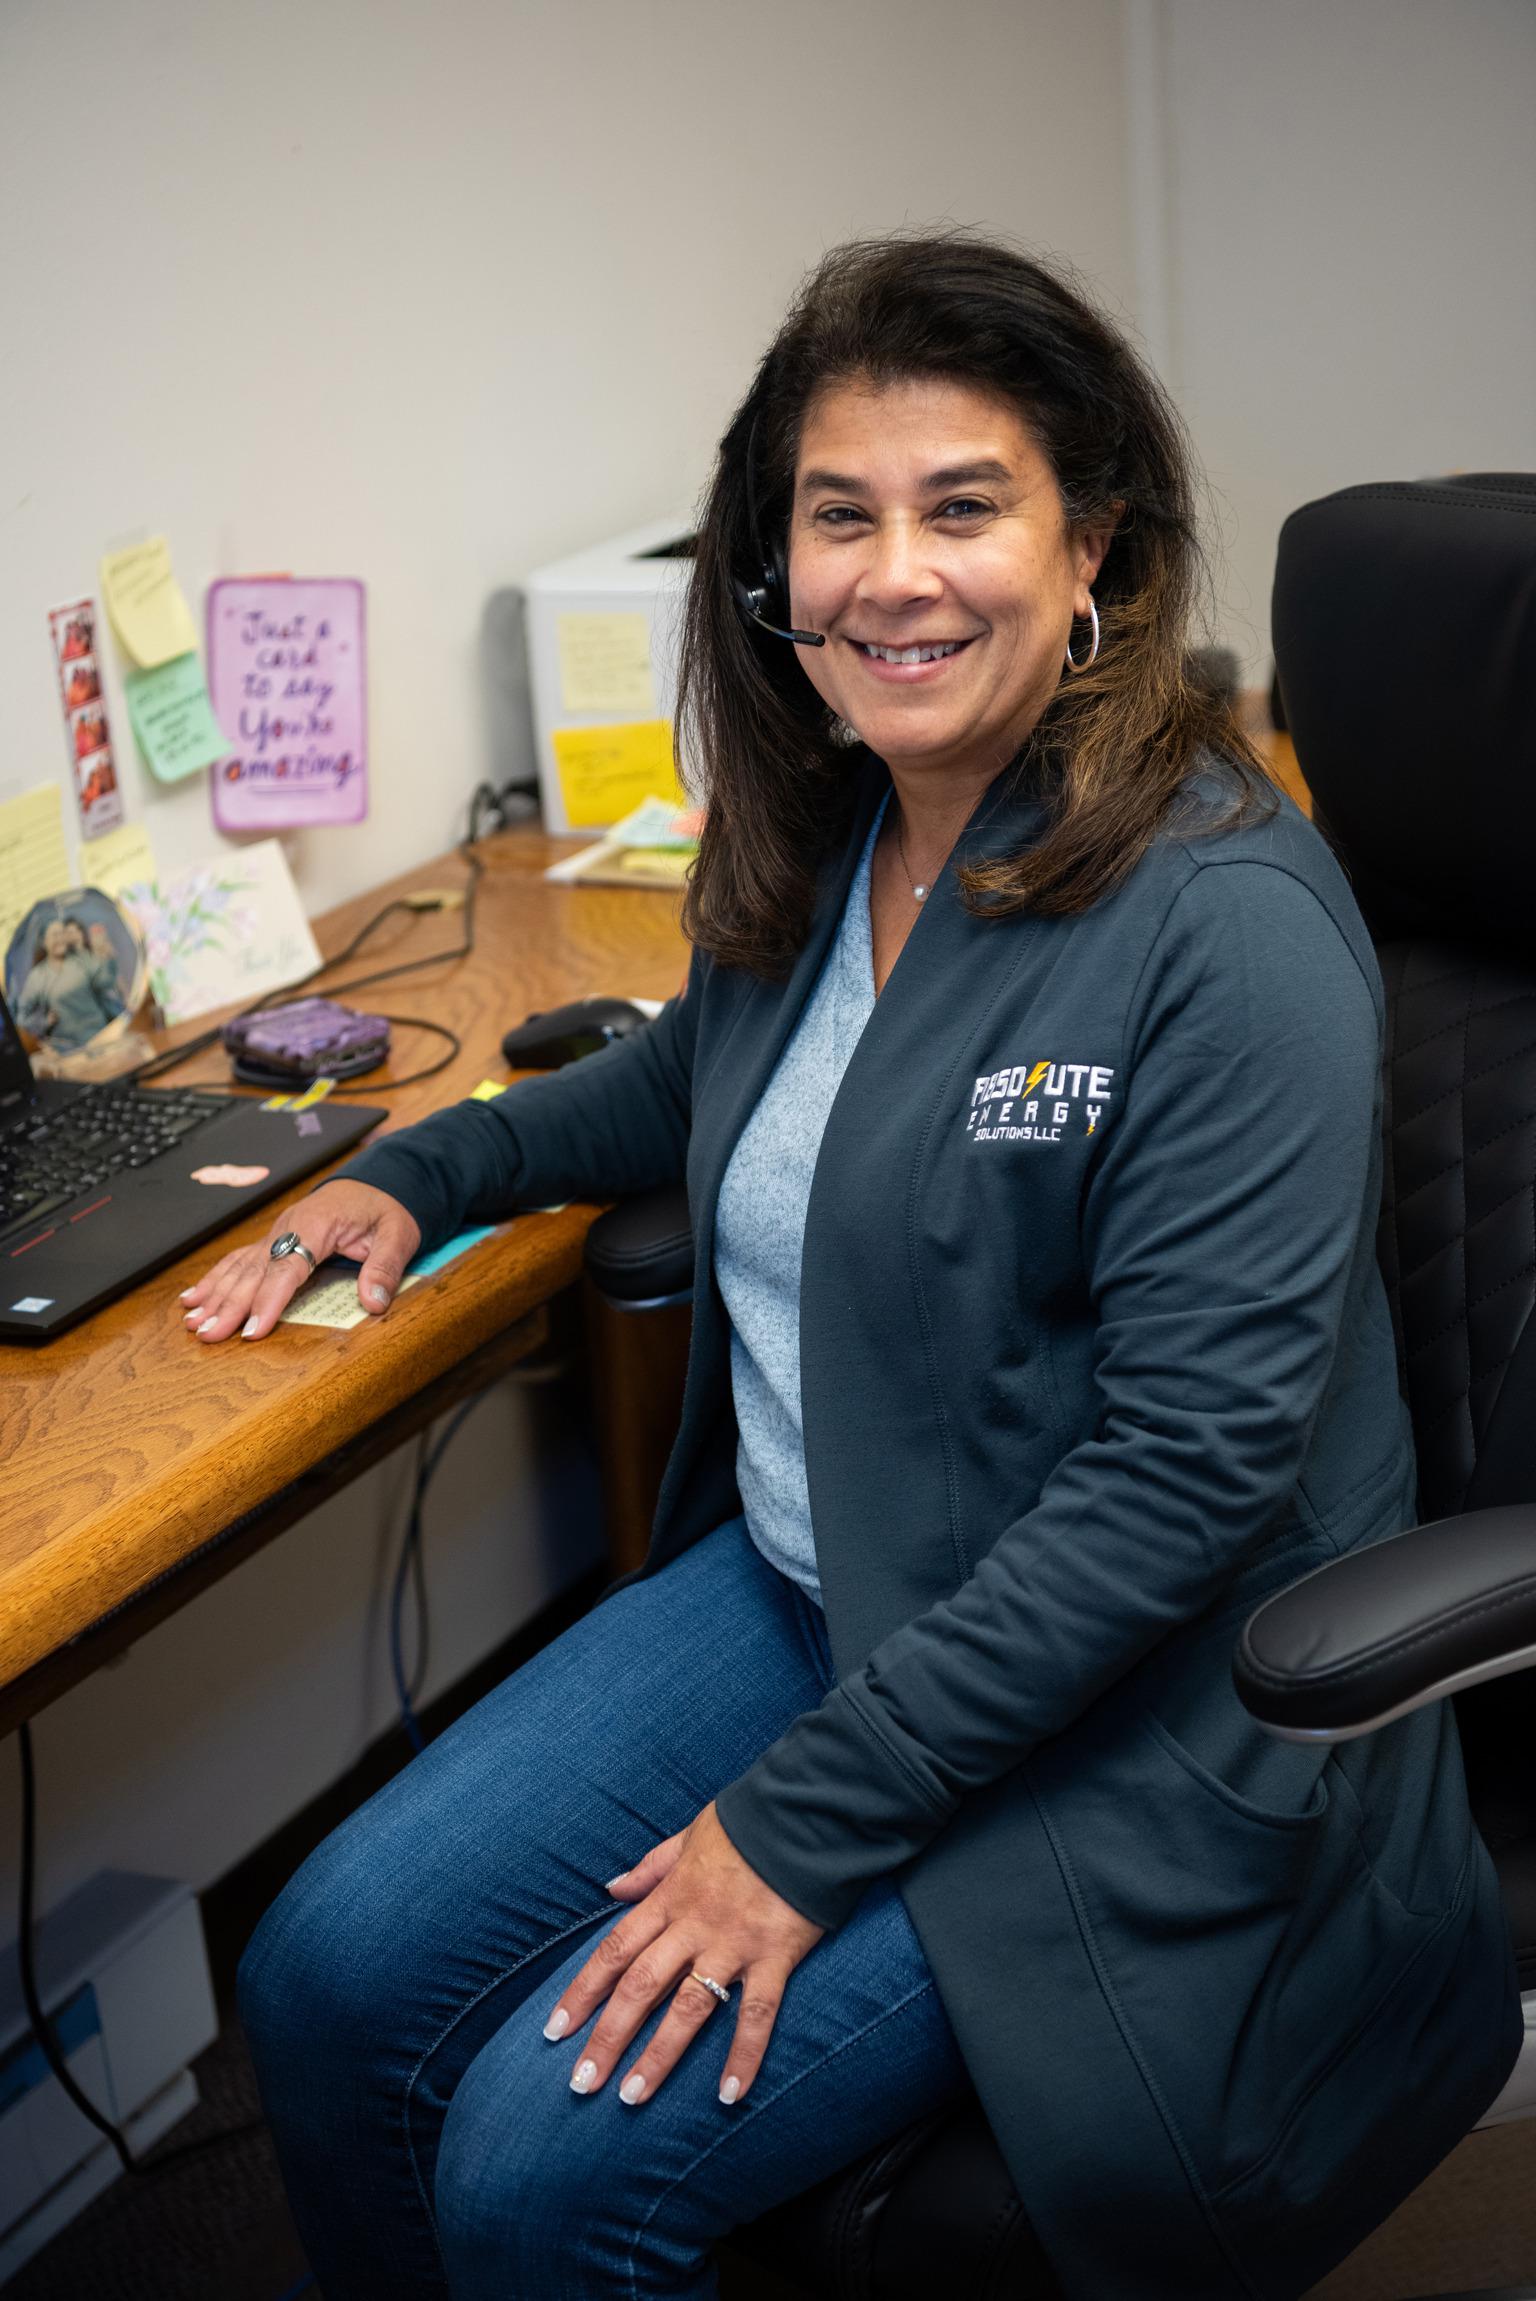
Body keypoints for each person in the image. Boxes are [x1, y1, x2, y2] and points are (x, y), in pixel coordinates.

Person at [184, 235, 1520, 2299]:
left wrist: (795, 1828)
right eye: (840, 516)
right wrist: (426, 1171)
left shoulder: (1224, 920)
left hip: (1139, 1695)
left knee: (540, 2172)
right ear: (773, 567)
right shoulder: (842, 821)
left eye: (963, 506)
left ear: (1092, 548)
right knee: (324, 1978)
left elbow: (1183, 1481)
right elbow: (701, 1080)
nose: (896, 575)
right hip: (829, 1584)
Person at [15, 915, 124, 1049]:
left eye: (62, 934)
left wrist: (108, 959)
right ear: (44, 942)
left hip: (100, 1035)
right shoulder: (37, 976)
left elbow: (104, 983)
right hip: (67, 1047)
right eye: (55, 935)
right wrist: (44, 1021)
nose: (60, 939)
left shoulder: (81, 959)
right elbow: (21, 1018)